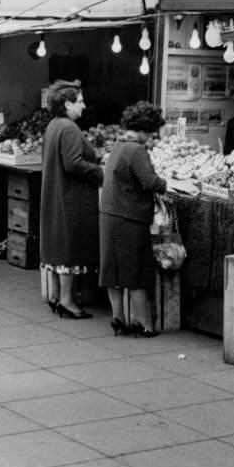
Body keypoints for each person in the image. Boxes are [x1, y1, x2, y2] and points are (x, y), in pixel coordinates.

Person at [99, 101, 167, 337]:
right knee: (136, 273)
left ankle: (118, 318)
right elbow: (151, 182)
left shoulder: (118, 146)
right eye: (152, 132)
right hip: (129, 218)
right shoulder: (136, 150)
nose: (152, 137)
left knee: (113, 272)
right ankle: (143, 324)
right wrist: (168, 184)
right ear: (145, 128)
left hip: (109, 215)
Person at [40, 83, 103, 319]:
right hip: (71, 198)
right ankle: (67, 301)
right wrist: (101, 171)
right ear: (67, 104)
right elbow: (73, 164)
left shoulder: (54, 126)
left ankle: (57, 296)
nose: (84, 105)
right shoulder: (69, 128)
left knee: (58, 245)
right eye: (80, 101)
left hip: (56, 195)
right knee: (70, 247)